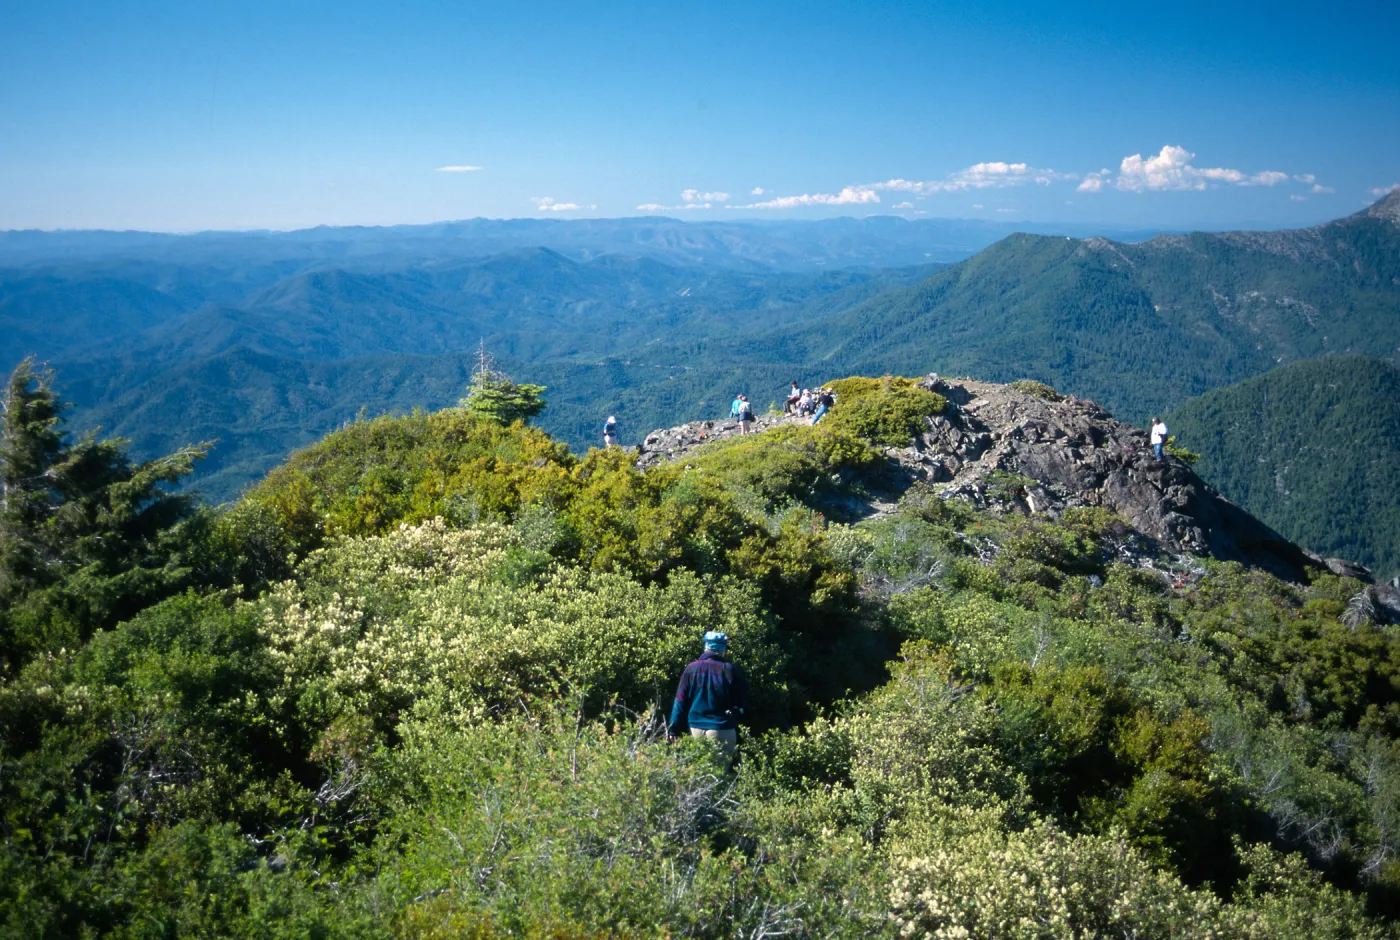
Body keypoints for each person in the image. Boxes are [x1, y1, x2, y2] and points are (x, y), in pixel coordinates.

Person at [668, 630, 749, 759]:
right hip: (721, 729)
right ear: (722, 649)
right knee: (720, 776)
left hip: (695, 730)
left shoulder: (691, 669)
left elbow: (680, 702)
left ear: (706, 648)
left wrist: (673, 729)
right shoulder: (728, 669)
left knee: (698, 776)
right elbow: (742, 700)